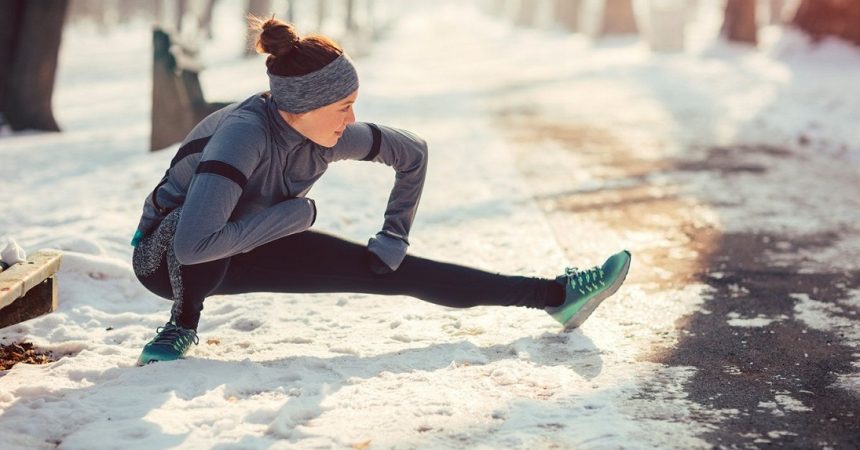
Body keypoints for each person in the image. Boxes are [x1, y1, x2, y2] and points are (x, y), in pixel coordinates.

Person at [130, 16, 631, 366]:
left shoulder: (322, 132)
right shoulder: (243, 135)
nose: (351, 120)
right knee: (198, 227)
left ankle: (555, 295)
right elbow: (192, 243)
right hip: (168, 259)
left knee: (393, 272)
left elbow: (412, 152)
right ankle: (182, 324)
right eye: (343, 106)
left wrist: (394, 235)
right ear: (303, 106)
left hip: (246, 238)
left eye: (354, 104)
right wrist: (296, 215)